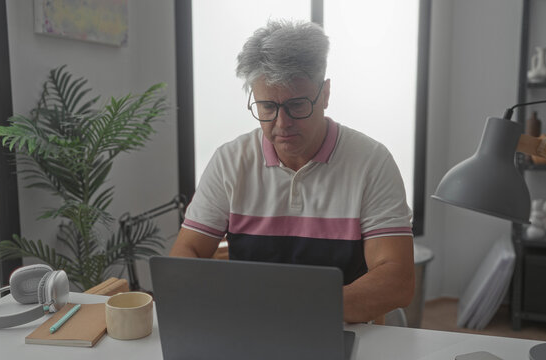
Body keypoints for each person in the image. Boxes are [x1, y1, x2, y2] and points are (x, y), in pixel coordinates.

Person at [170, 20, 414, 324]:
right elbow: (186, 253)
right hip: (253, 329)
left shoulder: (371, 163)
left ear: (325, 94)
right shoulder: (230, 161)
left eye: (297, 105)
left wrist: (296, 310)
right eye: (267, 107)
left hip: (342, 328)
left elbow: (398, 280)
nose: (282, 123)